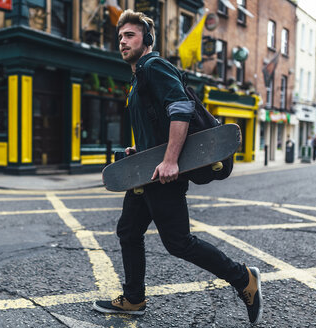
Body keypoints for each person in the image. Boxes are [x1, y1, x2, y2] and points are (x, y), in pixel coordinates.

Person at [92, 10, 263, 325]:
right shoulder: (139, 75)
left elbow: (181, 109)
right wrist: (138, 151)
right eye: (120, 37)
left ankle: (243, 279)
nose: (123, 41)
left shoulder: (155, 66)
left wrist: (170, 159)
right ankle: (133, 298)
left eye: (129, 35)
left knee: (179, 242)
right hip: (146, 171)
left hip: (163, 174)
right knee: (128, 231)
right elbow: (154, 124)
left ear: (147, 39)